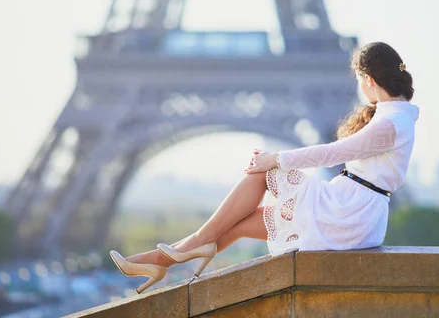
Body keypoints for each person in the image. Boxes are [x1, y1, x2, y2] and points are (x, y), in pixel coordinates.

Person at [109, 42, 420, 294]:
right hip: (349, 209)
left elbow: (333, 153)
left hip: (349, 212)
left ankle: (191, 245)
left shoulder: (392, 123)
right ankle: (162, 260)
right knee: (241, 222)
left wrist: (277, 158)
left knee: (262, 170)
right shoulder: (394, 116)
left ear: (368, 79)